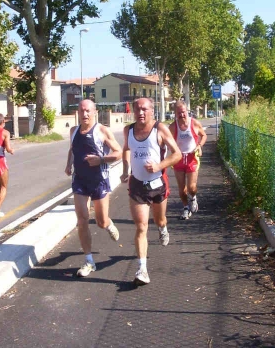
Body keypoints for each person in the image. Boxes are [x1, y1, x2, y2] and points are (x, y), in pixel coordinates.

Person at [120, 98, 182, 286]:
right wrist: (125, 170)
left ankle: (163, 229)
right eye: (137, 109)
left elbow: (177, 153)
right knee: (141, 226)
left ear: (151, 111)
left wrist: (158, 166)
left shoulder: (160, 129)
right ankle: (142, 269)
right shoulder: (128, 130)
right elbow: (126, 149)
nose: (140, 113)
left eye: (144, 109)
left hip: (157, 184)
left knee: (159, 220)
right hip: (137, 186)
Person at [65, 99, 122, 277]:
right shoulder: (73, 131)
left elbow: (118, 152)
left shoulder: (102, 131)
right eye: (82, 111)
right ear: (78, 113)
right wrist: (68, 165)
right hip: (80, 181)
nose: (85, 114)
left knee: (101, 221)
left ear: (94, 112)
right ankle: (89, 261)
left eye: (88, 111)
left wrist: (101, 160)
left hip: (99, 180)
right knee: (82, 220)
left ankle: (109, 224)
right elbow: (72, 149)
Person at [169, 101, 207, 220]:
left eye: (183, 112)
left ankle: (193, 197)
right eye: (179, 113)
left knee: (191, 187)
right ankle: (186, 208)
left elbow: (204, 135)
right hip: (179, 159)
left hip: (192, 158)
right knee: (182, 188)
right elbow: (165, 141)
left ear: (187, 111)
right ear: (175, 113)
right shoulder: (172, 126)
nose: (182, 115)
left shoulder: (194, 123)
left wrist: (199, 145)